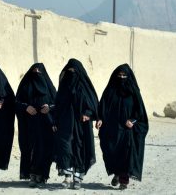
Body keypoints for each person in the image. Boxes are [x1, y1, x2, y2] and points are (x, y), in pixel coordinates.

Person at [97, 64, 149, 190]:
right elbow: (102, 106)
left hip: (127, 130)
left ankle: (123, 180)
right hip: (111, 128)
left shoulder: (133, 92)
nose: (121, 77)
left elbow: (140, 111)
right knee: (112, 152)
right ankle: (117, 173)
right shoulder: (110, 90)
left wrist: (132, 120)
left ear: (129, 77)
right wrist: (99, 119)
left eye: (124, 75)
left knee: (126, 154)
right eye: (119, 75)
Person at [53, 58, 99, 190]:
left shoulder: (85, 86)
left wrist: (87, 113)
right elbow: (58, 105)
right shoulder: (63, 86)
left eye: (74, 71)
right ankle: (67, 177)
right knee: (65, 147)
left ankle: (78, 178)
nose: (71, 73)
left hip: (81, 124)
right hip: (64, 122)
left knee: (79, 148)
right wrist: (55, 121)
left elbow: (93, 103)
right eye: (69, 71)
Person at [15, 63, 56, 187]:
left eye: (39, 71)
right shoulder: (25, 85)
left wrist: (49, 107)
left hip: (46, 124)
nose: (36, 73)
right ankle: (32, 174)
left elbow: (57, 103)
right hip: (29, 123)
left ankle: (42, 175)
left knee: (45, 149)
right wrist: (26, 107)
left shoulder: (49, 87)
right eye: (34, 71)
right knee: (30, 147)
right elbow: (16, 102)